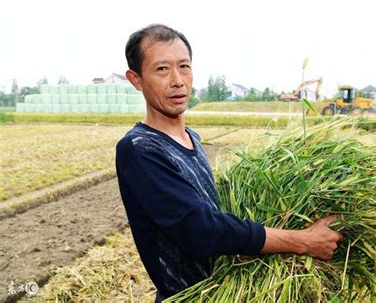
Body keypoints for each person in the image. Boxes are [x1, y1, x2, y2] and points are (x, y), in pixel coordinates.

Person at [115, 24, 343, 302]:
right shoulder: (140, 150)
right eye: (162, 69)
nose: (177, 80)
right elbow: (201, 230)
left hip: (222, 292)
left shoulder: (191, 139)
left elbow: (216, 216)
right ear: (136, 79)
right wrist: (302, 241)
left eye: (184, 66)